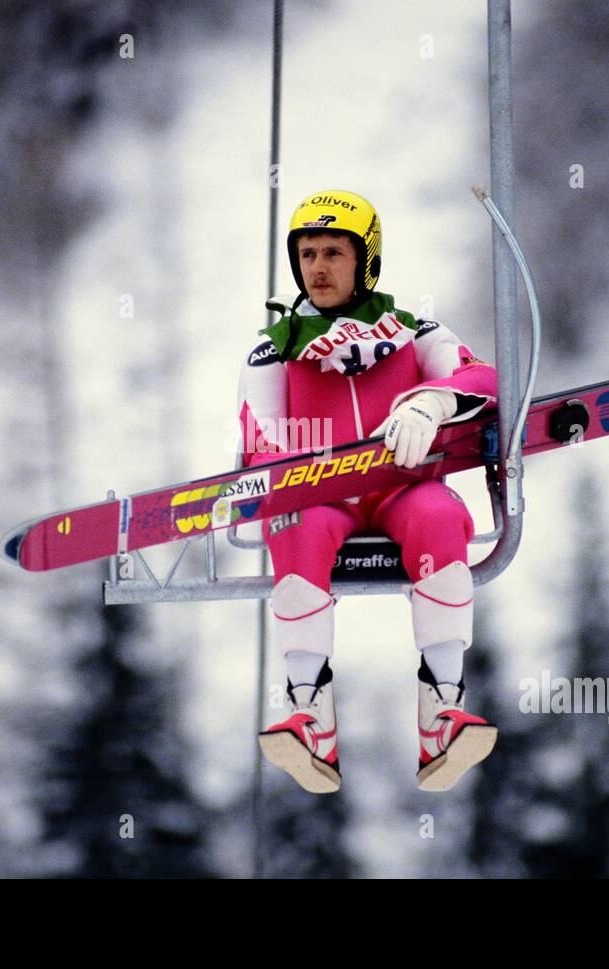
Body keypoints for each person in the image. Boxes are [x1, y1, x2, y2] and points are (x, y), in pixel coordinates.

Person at [237, 188, 499, 794]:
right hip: (320, 499)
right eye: (307, 254)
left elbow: (482, 377)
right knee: (295, 527)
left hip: (402, 490)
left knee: (439, 513)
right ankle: (310, 717)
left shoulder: (411, 330)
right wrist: (301, 469)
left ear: (366, 260)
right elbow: (259, 437)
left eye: (334, 251)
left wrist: (431, 401)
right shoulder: (273, 347)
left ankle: (443, 715)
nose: (318, 267)